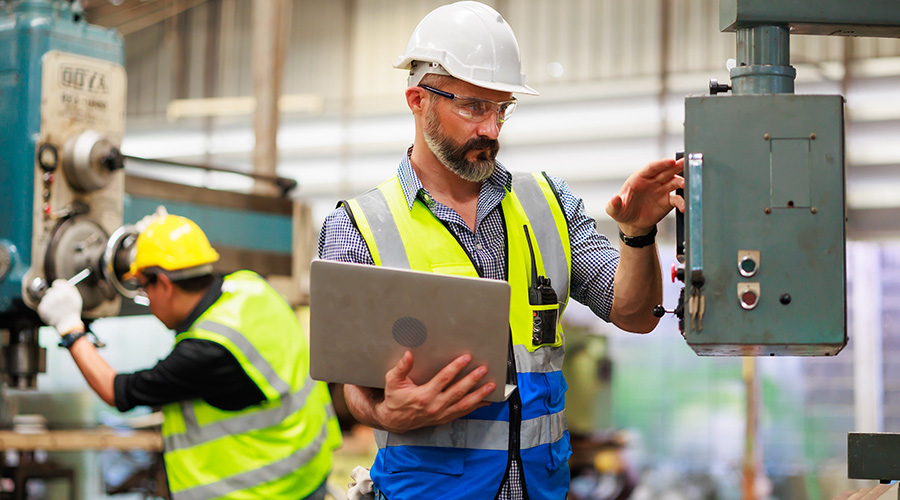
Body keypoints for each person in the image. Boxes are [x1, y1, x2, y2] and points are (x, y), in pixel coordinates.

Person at [317, 2, 684, 499]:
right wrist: (384, 413)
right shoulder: (359, 226)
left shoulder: (548, 204)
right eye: (473, 107)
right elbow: (348, 386)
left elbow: (635, 315)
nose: (491, 129)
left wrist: (637, 233)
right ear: (418, 100)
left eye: (502, 108)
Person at [38, 214, 342, 500]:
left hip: (270, 488)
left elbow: (116, 390)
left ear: (164, 284)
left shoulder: (206, 350)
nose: (147, 300)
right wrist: (157, 242)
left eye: (144, 288)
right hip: (309, 465)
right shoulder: (251, 287)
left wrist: (70, 328)